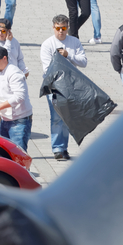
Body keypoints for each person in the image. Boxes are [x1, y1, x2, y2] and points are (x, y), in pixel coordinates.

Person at [40, 14, 87, 160]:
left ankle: (63, 147)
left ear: (67, 28)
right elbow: (47, 68)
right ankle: (57, 149)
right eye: (58, 28)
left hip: (71, 85)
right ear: (53, 28)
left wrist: (68, 55)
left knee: (66, 118)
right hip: (54, 86)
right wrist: (60, 59)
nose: (61, 31)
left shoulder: (74, 42)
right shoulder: (47, 44)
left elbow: (83, 62)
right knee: (56, 117)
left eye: (64, 28)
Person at [0, 46, 32, 151]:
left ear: (5, 58)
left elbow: (20, 96)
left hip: (19, 120)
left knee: (18, 156)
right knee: (5, 153)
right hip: (5, 119)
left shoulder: (14, 73)